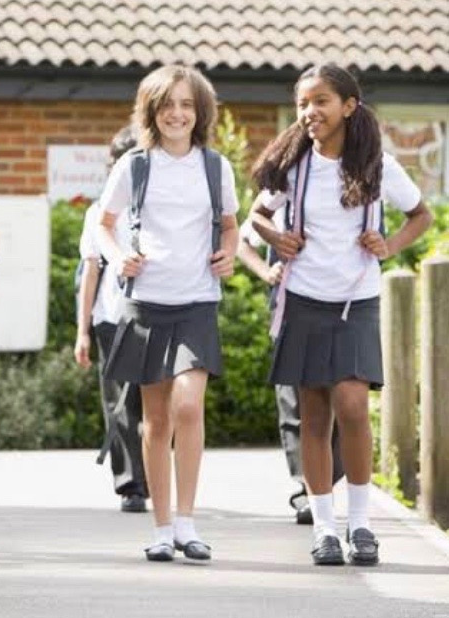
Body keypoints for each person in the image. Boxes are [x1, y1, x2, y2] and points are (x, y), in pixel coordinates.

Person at [249, 63, 432, 566]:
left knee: (352, 406)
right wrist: (276, 238)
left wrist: (389, 244)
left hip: (356, 299)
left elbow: (422, 215)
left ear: (349, 106)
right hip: (305, 299)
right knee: (314, 415)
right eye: (303, 103)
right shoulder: (294, 167)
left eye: (321, 101)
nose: (309, 112)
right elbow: (256, 218)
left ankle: (361, 524)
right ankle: (325, 528)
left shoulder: (377, 165)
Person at [97, 65, 239, 562]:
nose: (177, 113)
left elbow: (229, 226)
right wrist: (118, 257)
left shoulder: (215, 167)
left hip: (197, 302)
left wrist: (230, 251)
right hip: (146, 304)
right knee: (155, 421)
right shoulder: (133, 166)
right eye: (167, 105)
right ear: (152, 112)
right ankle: (161, 529)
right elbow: (103, 224)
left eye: (186, 104)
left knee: (187, 406)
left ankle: (187, 522)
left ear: (199, 111)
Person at [236, 213, 345, 524]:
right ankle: (308, 488)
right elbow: (243, 242)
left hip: (339, 305)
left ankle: (326, 481)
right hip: (287, 307)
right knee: (293, 399)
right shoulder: (280, 190)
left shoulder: (346, 184)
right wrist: (266, 271)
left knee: (341, 397)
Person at [74, 125, 148, 514]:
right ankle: (131, 485)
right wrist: (82, 330)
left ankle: (153, 476)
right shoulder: (98, 212)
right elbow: (91, 271)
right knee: (119, 403)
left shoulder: (162, 207)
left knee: (153, 402)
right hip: (111, 318)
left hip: (156, 315)